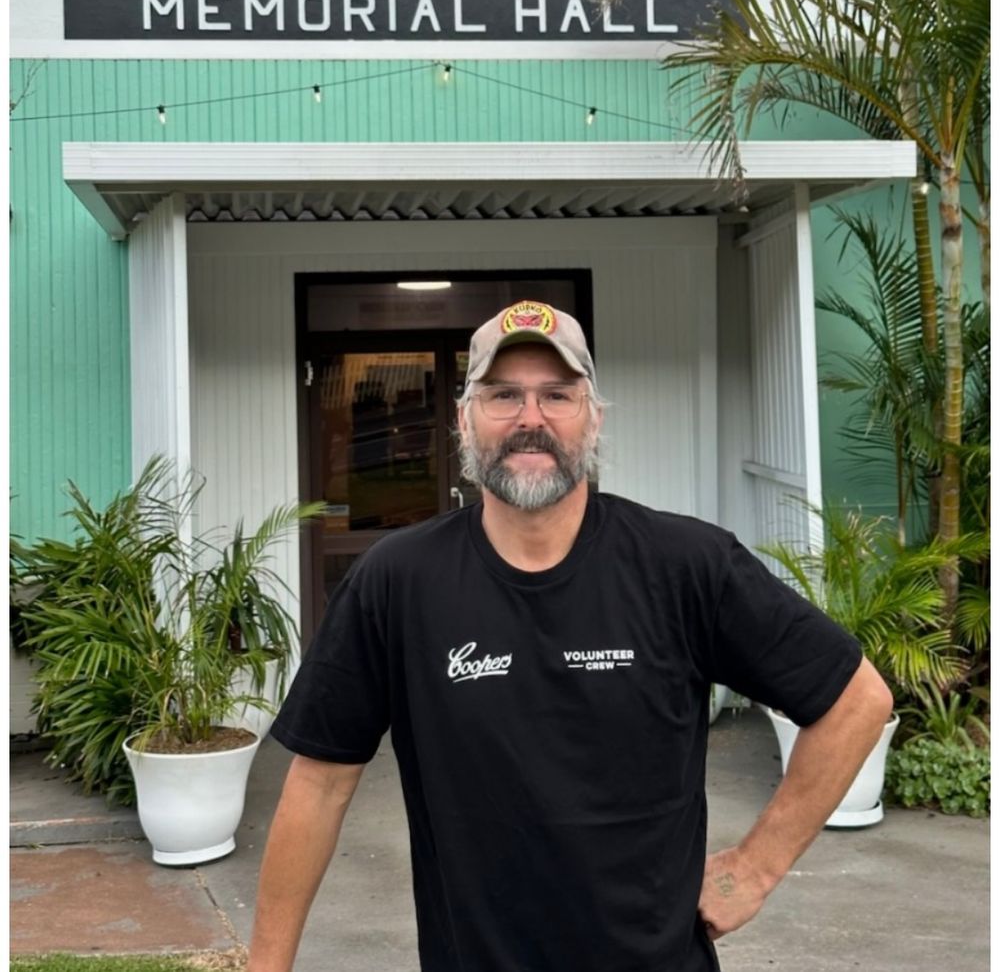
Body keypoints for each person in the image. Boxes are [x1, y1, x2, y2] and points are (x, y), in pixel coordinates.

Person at [249, 299, 893, 972]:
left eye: (557, 394)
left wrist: (756, 868)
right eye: (504, 395)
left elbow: (857, 702)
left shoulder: (685, 566)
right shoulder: (398, 582)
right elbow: (318, 786)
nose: (531, 419)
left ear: (594, 416)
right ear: (464, 419)